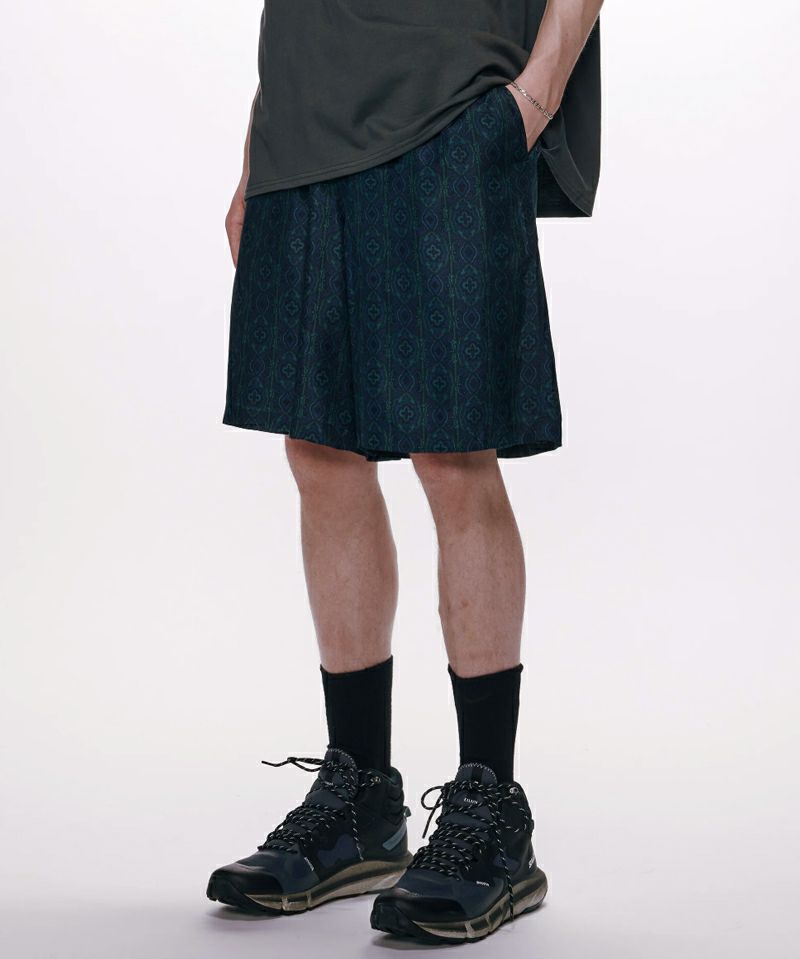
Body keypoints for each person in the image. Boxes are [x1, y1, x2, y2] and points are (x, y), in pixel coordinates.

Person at [207, 0, 603, 943]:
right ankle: (360, 802)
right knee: (320, 451)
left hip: (453, 104)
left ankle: (491, 812)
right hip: (301, 121)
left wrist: (537, 95)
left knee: (452, 452)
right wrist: (259, 148)